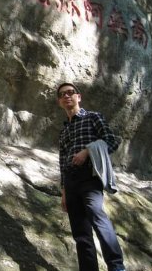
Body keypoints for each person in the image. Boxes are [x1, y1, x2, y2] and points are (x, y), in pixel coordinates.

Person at [57, 82, 126, 271]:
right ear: (60, 102)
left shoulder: (93, 117)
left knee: (97, 216)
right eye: (63, 94)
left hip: (89, 175)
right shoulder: (63, 131)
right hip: (70, 182)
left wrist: (87, 151)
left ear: (79, 97)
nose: (67, 96)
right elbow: (62, 162)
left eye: (71, 92)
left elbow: (112, 141)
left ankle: (116, 266)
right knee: (80, 233)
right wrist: (63, 191)